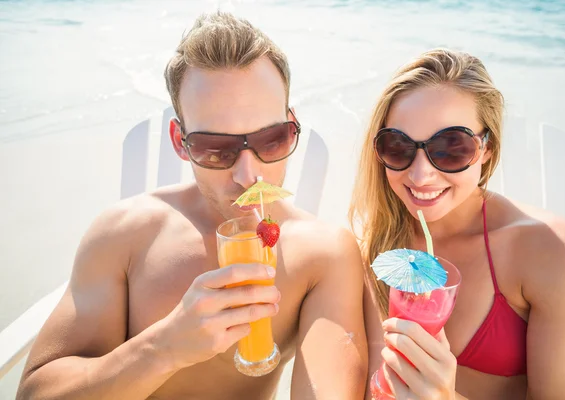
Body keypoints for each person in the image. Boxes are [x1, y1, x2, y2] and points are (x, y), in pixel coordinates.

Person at [16, 12, 367, 400]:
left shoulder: (324, 255)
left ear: (291, 125)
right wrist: (164, 347)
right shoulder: (125, 235)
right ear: (180, 142)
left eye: (271, 140)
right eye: (216, 149)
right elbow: (34, 394)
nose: (247, 174)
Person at [349, 48, 565, 399]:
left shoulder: (559, 253)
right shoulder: (371, 245)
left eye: (451, 147)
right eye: (398, 146)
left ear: (487, 150)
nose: (420, 174)